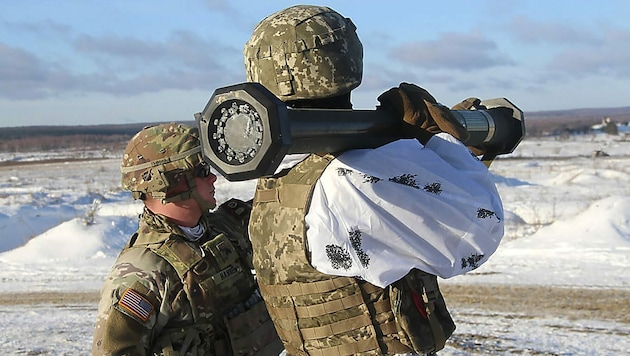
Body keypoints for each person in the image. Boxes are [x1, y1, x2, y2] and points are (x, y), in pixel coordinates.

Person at [242, 5, 505, 355]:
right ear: (346, 59)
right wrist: (437, 143)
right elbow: (479, 231)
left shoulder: (279, 178)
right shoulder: (354, 177)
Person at [92, 123, 283, 355]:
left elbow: (283, 207)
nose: (213, 178)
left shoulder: (225, 230)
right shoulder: (144, 273)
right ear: (169, 183)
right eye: (202, 171)